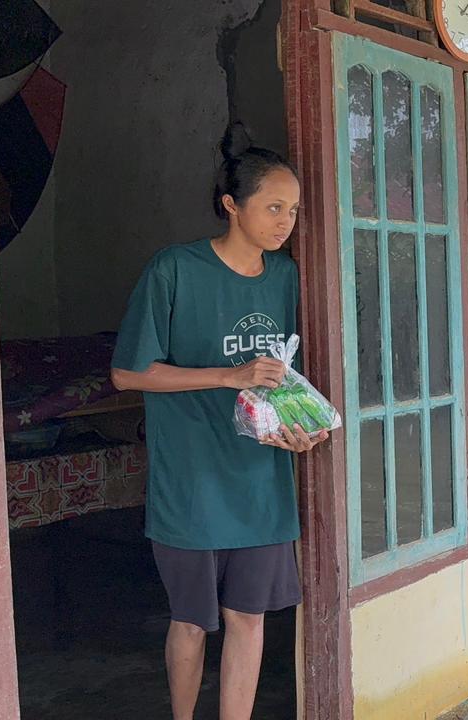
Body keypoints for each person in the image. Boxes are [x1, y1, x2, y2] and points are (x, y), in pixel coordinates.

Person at [111, 123, 329, 720]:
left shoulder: (287, 277)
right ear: (232, 205)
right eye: (273, 207)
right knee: (191, 622)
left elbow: (286, 376)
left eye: (293, 209)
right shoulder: (174, 270)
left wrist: (301, 429)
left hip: (259, 480)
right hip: (192, 478)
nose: (285, 222)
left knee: (248, 618)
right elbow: (129, 375)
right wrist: (226, 376)